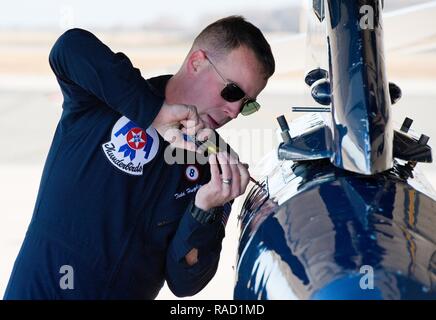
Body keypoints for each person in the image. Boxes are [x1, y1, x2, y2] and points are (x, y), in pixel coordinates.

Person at [4, 16, 275, 299]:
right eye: (232, 91)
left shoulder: (215, 169)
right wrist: (154, 113)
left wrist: (204, 209)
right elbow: (68, 47)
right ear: (197, 62)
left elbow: (185, 283)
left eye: (246, 104)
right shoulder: (107, 99)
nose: (233, 111)